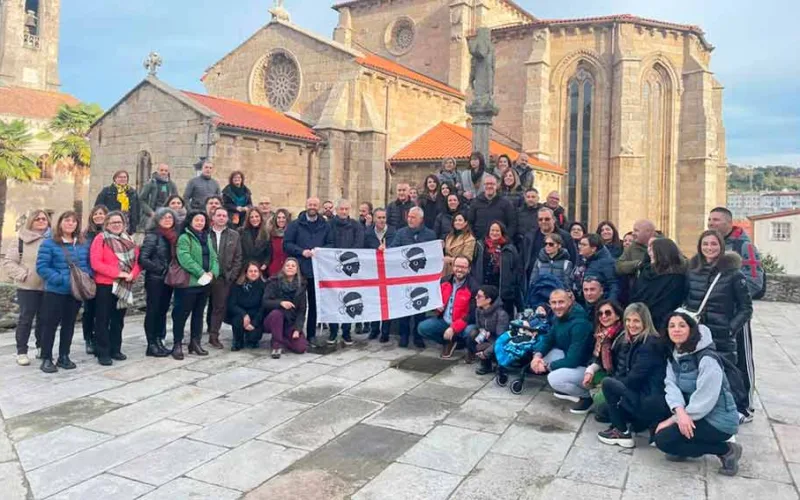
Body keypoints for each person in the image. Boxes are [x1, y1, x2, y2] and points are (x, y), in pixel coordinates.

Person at [654, 311, 742, 476]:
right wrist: (678, 411)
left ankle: (726, 450)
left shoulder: (707, 358)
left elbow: (706, 398)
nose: (676, 330)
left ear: (691, 329)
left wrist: (676, 419)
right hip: (693, 414)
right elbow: (670, 384)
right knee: (660, 432)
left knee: (663, 439)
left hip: (718, 420)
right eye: (671, 326)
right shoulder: (675, 353)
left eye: (682, 325)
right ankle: (683, 446)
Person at [685, 230, 753, 421]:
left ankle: (740, 408)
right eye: (705, 244)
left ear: (721, 247)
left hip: (721, 331)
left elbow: (745, 307)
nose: (709, 248)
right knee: (699, 369)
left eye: (714, 244)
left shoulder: (733, 273)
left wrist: (731, 328)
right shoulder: (692, 270)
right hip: (698, 331)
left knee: (728, 370)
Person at [708, 206, 762, 409]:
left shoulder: (743, 246)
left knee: (742, 360)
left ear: (729, 222)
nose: (711, 223)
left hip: (736, 315)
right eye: (710, 220)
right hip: (714, 317)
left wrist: (729, 297)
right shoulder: (712, 245)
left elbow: (755, 282)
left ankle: (745, 406)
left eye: (716, 220)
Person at [594, 303, 670, 447]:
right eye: (628, 320)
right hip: (642, 394)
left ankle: (621, 432)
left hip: (650, 399)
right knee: (603, 410)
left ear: (645, 322)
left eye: (636, 321)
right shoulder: (632, 341)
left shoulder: (650, 344)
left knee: (608, 384)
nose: (631, 325)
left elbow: (635, 378)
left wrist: (615, 387)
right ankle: (637, 422)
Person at [35, 211, 91, 373]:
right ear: (60, 223)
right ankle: (46, 358)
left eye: (74, 221)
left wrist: (87, 278)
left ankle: (64, 356)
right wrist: (60, 279)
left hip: (75, 292)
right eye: (67, 220)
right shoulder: (49, 243)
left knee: (69, 325)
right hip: (55, 291)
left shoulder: (82, 243)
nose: (70, 224)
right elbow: (42, 267)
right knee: (50, 325)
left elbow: (87, 264)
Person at [90, 211, 141, 366]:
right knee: (103, 319)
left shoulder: (129, 240)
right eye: (113, 222)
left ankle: (115, 349)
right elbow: (96, 263)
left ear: (124, 224)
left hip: (124, 285)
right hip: (105, 284)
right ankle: (103, 352)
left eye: (119, 222)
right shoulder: (101, 239)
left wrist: (133, 274)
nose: (117, 225)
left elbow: (137, 261)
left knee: (118, 319)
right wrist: (118, 273)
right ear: (107, 224)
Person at [530, 289, 593, 408]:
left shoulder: (580, 324)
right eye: (554, 303)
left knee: (554, 379)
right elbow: (549, 339)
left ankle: (587, 395)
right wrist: (536, 356)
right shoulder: (558, 318)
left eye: (561, 302)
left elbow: (574, 360)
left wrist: (547, 366)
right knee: (545, 355)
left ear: (569, 302)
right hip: (571, 357)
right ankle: (567, 385)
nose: (557, 306)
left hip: (587, 367)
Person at [3, 209, 51, 366]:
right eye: (38, 219)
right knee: (26, 319)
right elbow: (9, 261)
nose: (41, 221)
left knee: (45, 319)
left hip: (49, 286)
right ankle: (21, 351)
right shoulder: (20, 239)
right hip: (27, 287)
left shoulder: (53, 239)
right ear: (31, 221)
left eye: (44, 219)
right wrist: (24, 274)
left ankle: (41, 348)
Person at [284, 197, 333, 344]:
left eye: (315, 205)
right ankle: (291, 332)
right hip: (298, 271)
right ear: (306, 206)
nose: (312, 207)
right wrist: (301, 251)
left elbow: (331, 243)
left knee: (313, 304)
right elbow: (286, 244)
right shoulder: (295, 225)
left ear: (318, 207)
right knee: (294, 304)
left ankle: (311, 334)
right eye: (310, 204)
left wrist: (320, 251)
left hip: (316, 271)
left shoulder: (325, 225)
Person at [172, 210, 219, 360]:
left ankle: (195, 342)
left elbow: (214, 258)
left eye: (202, 220)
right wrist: (201, 273)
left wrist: (213, 272)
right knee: (181, 314)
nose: (200, 223)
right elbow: (185, 259)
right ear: (190, 221)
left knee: (198, 314)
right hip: (189, 284)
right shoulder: (185, 238)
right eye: (197, 220)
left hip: (205, 283)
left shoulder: (207, 238)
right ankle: (177, 344)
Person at [389, 207, 437, 348]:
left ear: (421, 219)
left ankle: (417, 337)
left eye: (413, 217)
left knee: (420, 308)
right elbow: (392, 250)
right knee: (405, 307)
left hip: (421, 279)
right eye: (409, 216)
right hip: (404, 278)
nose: (410, 219)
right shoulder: (401, 233)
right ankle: (404, 335)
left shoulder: (430, 234)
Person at [416, 256, 477, 358]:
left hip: (463, 323)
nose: (460, 269)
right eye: (457, 266)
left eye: (463, 267)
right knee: (422, 328)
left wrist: (453, 328)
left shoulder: (474, 287)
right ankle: (448, 341)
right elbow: (432, 300)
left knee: (470, 331)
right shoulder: (444, 281)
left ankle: (461, 344)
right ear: (452, 266)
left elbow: (471, 315)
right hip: (444, 320)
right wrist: (436, 307)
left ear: (469, 269)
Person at [139, 207, 177, 357]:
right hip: (155, 279)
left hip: (168, 280)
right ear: (157, 220)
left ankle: (159, 340)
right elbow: (143, 259)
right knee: (153, 311)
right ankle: (151, 344)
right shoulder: (152, 236)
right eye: (164, 218)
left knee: (162, 311)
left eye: (170, 217)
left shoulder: (172, 236)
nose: (167, 220)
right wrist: (160, 269)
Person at [327, 199, 365, 346]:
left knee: (349, 299)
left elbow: (358, 244)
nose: (343, 212)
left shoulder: (356, 226)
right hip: (332, 269)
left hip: (350, 270)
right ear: (336, 210)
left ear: (349, 210)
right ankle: (333, 330)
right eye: (341, 209)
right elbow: (327, 242)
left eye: (346, 209)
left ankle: (347, 331)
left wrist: (347, 259)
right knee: (332, 299)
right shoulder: (329, 225)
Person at [630, 237, 687, 329]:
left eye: (653, 250)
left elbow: (669, 303)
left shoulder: (676, 276)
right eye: (649, 249)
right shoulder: (646, 271)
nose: (649, 253)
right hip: (639, 320)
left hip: (661, 323)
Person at [580, 299, 624, 419]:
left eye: (608, 313)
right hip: (607, 373)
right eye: (600, 313)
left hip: (620, 378)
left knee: (600, 405)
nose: (603, 316)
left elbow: (622, 368)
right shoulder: (601, 334)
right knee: (586, 378)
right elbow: (598, 358)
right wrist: (590, 370)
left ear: (618, 316)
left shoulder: (622, 337)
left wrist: (605, 383)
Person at [207, 207, 243, 349]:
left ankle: (214, 335)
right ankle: (195, 337)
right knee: (197, 307)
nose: (221, 218)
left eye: (224, 215)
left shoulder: (234, 235)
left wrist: (232, 275)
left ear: (227, 219)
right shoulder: (205, 233)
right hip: (204, 276)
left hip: (224, 277)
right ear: (213, 217)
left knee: (219, 307)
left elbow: (238, 257)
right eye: (219, 215)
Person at [263, 258, 309, 358]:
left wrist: (298, 329)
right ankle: (276, 345)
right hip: (273, 319)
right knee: (277, 314)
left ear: (297, 270)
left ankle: (281, 337)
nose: (290, 267)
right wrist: (280, 303)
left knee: (301, 348)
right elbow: (265, 302)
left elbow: (302, 310)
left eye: (293, 266)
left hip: (290, 321)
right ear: (283, 268)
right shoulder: (274, 281)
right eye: (288, 265)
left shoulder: (301, 285)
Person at [473, 221, 520, 318]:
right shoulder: (480, 246)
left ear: (502, 232)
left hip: (502, 290)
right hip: (484, 287)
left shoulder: (509, 249)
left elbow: (516, 269)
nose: (494, 233)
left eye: (497, 231)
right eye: (492, 230)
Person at [81, 205, 108, 355]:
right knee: (89, 310)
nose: (98, 216)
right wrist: (88, 274)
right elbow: (83, 256)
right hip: (91, 277)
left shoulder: (111, 233)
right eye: (96, 214)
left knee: (104, 311)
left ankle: (101, 338)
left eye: (102, 214)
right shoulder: (85, 235)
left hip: (106, 279)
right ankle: (88, 339)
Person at [465, 285, 510, 374]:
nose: (476, 298)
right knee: (472, 333)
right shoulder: (479, 310)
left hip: (498, 341)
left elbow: (501, 339)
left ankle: (498, 363)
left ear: (488, 300)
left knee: (481, 346)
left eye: (479, 296)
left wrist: (486, 352)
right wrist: (483, 330)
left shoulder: (501, 314)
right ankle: (485, 363)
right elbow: (478, 326)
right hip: (487, 337)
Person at [522, 207, 577, 278]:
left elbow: (573, 259)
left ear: (554, 220)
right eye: (540, 219)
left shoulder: (565, 237)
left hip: (559, 282)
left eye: (547, 219)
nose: (543, 221)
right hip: (534, 282)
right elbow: (523, 261)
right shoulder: (529, 237)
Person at [227, 261, 266, 350]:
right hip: (240, 313)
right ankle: (238, 340)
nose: (253, 273)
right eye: (250, 271)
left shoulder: (264, 286)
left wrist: (254, 323)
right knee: (237, 319)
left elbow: (263, 308)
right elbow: (231, 304)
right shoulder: (237, 285)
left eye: (255, 271)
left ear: (259, 273)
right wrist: (244, 314)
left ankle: (252, 339)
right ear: (246, 273)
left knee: (252, 341)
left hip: (256, 315)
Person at [468, 175, 517, 241]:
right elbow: (470, 222)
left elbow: (512, 223)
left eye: (492, 184)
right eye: (487, 184)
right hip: (479, 242)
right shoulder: (475, 202)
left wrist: (505, 239)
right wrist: (474, 238)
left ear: (497, 185)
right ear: (483, 186)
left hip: (500, 244)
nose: (489, 186)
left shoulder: (506, 203)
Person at [574, 234, 619, 302]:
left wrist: (610, 303)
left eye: (584, 245)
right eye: (580, 244)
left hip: (601, 304)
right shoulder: (584, 260)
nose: (580, 247)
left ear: (593, 248)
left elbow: (614, 285)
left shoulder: (606, 262)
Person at [94, 170, 140, 235]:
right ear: (115, 179)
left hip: (127, 223)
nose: (122, 179)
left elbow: (137, 208)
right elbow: (98, 207)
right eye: (120, 177)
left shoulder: (132, 192)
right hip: (111, 222)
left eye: (125, 177)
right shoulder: (107, 191)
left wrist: (135, 223)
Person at [139, 163, 178, 229]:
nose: (164, 172)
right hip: (152, 215)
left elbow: (176, 199)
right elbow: (141, 200)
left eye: (166, 171)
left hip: (166, 215)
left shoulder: (172, 185)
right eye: (161, 170)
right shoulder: (150, 184)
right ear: (157, 171)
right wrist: (150, 212)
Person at [239, 207, 271, 278]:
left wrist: (265, 264)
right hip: (245, 268)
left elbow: (269, 253)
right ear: (248, 219)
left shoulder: (266, 233)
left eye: (257, 216)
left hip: (261, 268)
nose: (254, 219)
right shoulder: (241, 232)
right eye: (252, 217)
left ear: (260, 217)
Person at [268, 209, 291, 277]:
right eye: (279, 217)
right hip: (274, 269)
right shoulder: (271, 234)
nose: (281, 220)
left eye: (284, 217)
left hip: (289, 269)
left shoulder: (292, 234)